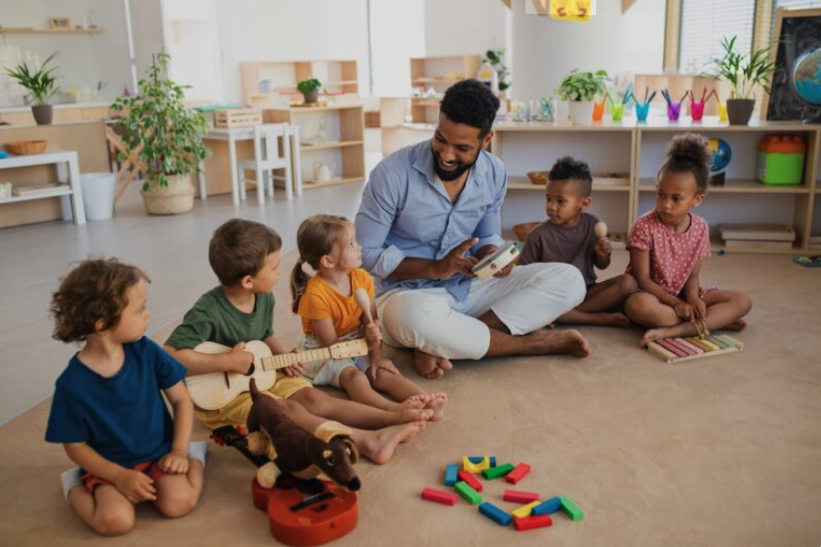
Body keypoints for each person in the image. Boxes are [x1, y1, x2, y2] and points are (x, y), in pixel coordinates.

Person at [355, 79, 590, 381]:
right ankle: (530, 344)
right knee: (416, 318)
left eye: (462, 147)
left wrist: (493, 254)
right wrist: (435, 268)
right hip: (406, 296)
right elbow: (364, 254)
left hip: (468, 287)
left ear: (487, 138)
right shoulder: (392, 174)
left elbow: (489, 235)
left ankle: (445, 340)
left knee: (570, 281)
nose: (447, 155)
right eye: (441, 139)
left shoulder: (495, 173)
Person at [164, 219, 426, 465]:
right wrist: (228, 361)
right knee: (286, 411)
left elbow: (264, 333)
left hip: (264, 372)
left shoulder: (263, 297)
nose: (280, 271)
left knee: (316, 399)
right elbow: (170, 356)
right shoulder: (207, 310)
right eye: (275, 267)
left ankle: (390, 416)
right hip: (222, 397)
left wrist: (283, 358)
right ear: (248, 281)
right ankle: (367, 442)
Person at [46, 258, 205, 536]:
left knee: (179, 503)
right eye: (140, 309)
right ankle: (73, 485)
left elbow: (181, 400)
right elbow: (74, 445)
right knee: (115, 522)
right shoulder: (72, 385)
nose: (148, 314)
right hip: (109, 467)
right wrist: (117, 475)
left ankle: (196, 456)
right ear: (102, 325)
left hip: (161, 454)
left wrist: (179, 451)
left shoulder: (147, 351)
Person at [291, 215, 448, 420]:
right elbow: (331, 344)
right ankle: (393, 410)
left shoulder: (361, 277)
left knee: (381, 372)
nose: (359, 247)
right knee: (355, 377)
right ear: (328, 261)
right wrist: (365, 345)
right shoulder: (315, 295)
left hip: (354, 338)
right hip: (326, 348)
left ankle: (426, 401)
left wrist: (376, 354)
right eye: (351, 244)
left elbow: (370, 319)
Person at [623, 134, 752, 346]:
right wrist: (675, 303)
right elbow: (642, 280)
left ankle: (678, 330)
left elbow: (692, 277)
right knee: (640, 307)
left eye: (676, 198)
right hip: (650, 295)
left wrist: (692, 299)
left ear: (697, 199)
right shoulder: (643, 226)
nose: (665, 204)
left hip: (683, 293)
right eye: (661, 194)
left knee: (743, 300)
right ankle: (708, 322)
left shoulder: (700, 227)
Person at [517, 156, 637, 327]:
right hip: (551, 296)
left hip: (585, 292)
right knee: (525, 302)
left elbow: (602, 265)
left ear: (584, 203)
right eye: (548, 199)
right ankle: (592, 318)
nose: (551, 206)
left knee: (629, 283)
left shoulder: (593, 224)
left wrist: (603, 254)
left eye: (560, 201)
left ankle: (563, 315)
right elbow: (521, 278)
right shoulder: (537, 235)